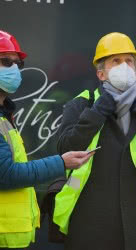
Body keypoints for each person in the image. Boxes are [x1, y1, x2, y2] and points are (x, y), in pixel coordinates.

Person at [53, 32, 136, 250]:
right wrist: (97, 112)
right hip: (88, 224)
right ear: (101, 74)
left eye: (129, 61)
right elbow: (65, 148)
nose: (124, 67)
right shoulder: (82, 104)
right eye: (115, 61)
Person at [0, 30, 93, 250]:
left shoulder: (5, 114)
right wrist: (62, 163)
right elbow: (6, 174)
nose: (14, 69)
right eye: (5, 62)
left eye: (17, 64)